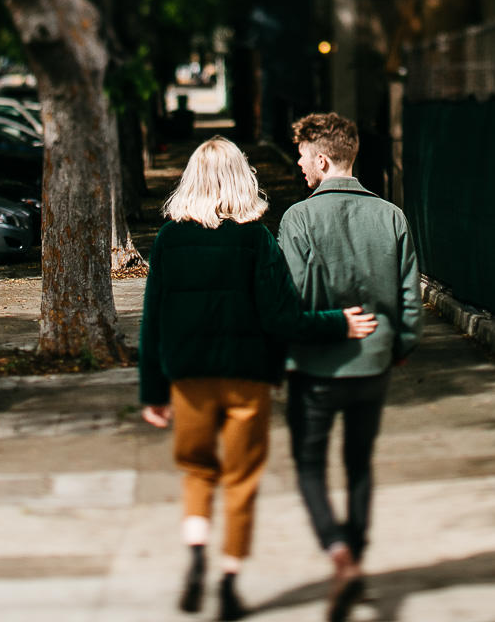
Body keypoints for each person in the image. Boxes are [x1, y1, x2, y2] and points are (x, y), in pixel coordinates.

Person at [138, 136, 377, 621]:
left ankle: (198, 552)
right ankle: (228, 581)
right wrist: (339, 323)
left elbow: (151, 323)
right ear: (240, 176)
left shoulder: (168, 239)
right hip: (247, 377)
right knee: (242, 480)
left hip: (189, 377)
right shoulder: (256, 238)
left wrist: (153, 391)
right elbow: (281, 318)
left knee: (198, 471)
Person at [279, 112, 422, 622]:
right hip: (375, 363)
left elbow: (289, 304)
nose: (298, 165)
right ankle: (356, 558)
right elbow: (410, 300)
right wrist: (398, 346)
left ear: (322, 159)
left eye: (301, 156)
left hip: (316, 368)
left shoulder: (297, 220)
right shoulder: (392, 217)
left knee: (310, 465)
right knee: (360, 464)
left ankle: (338, 553)